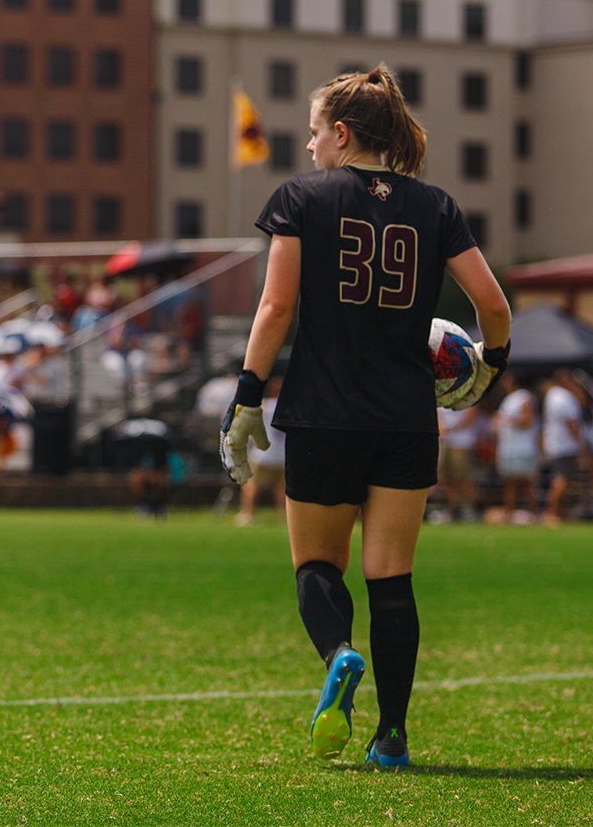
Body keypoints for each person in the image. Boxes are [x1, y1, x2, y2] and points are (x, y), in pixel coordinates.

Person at [219, 64, 511, 768]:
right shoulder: (437, 206)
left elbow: (276, 308)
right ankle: (394, 737)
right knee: (393, 578)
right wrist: (491, 368)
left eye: (317, 133)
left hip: (323, 413)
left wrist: (246, 398)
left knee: (317, 566)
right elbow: (492, 308)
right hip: (408, 421)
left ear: (342, 134)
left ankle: (339, 654)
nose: (311, 146)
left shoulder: (300, 198)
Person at [235, 375, 286, 527]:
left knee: (251, 485)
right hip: (282, 455)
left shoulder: (264, 406)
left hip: (263, 454)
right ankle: (283, 514)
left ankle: (247, 514)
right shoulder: (289, 408)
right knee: (281, 488)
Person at [541, 369, 588, 523]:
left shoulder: (553, 395)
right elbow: (571, 423)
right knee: (562, 479)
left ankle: (558, 512)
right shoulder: (563, 397)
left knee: (562, 479)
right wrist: (581, 444)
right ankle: (552, 512)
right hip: (565, 445)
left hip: (556, 443)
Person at [493, 372, 540, 521]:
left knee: (526, 483)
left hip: (521, 448)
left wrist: (507, 420)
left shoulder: (523, 397)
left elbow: (527, 420)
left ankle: (534, 513)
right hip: (509, 447)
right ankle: (509, 513)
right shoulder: (509, 399)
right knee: (510, 483)